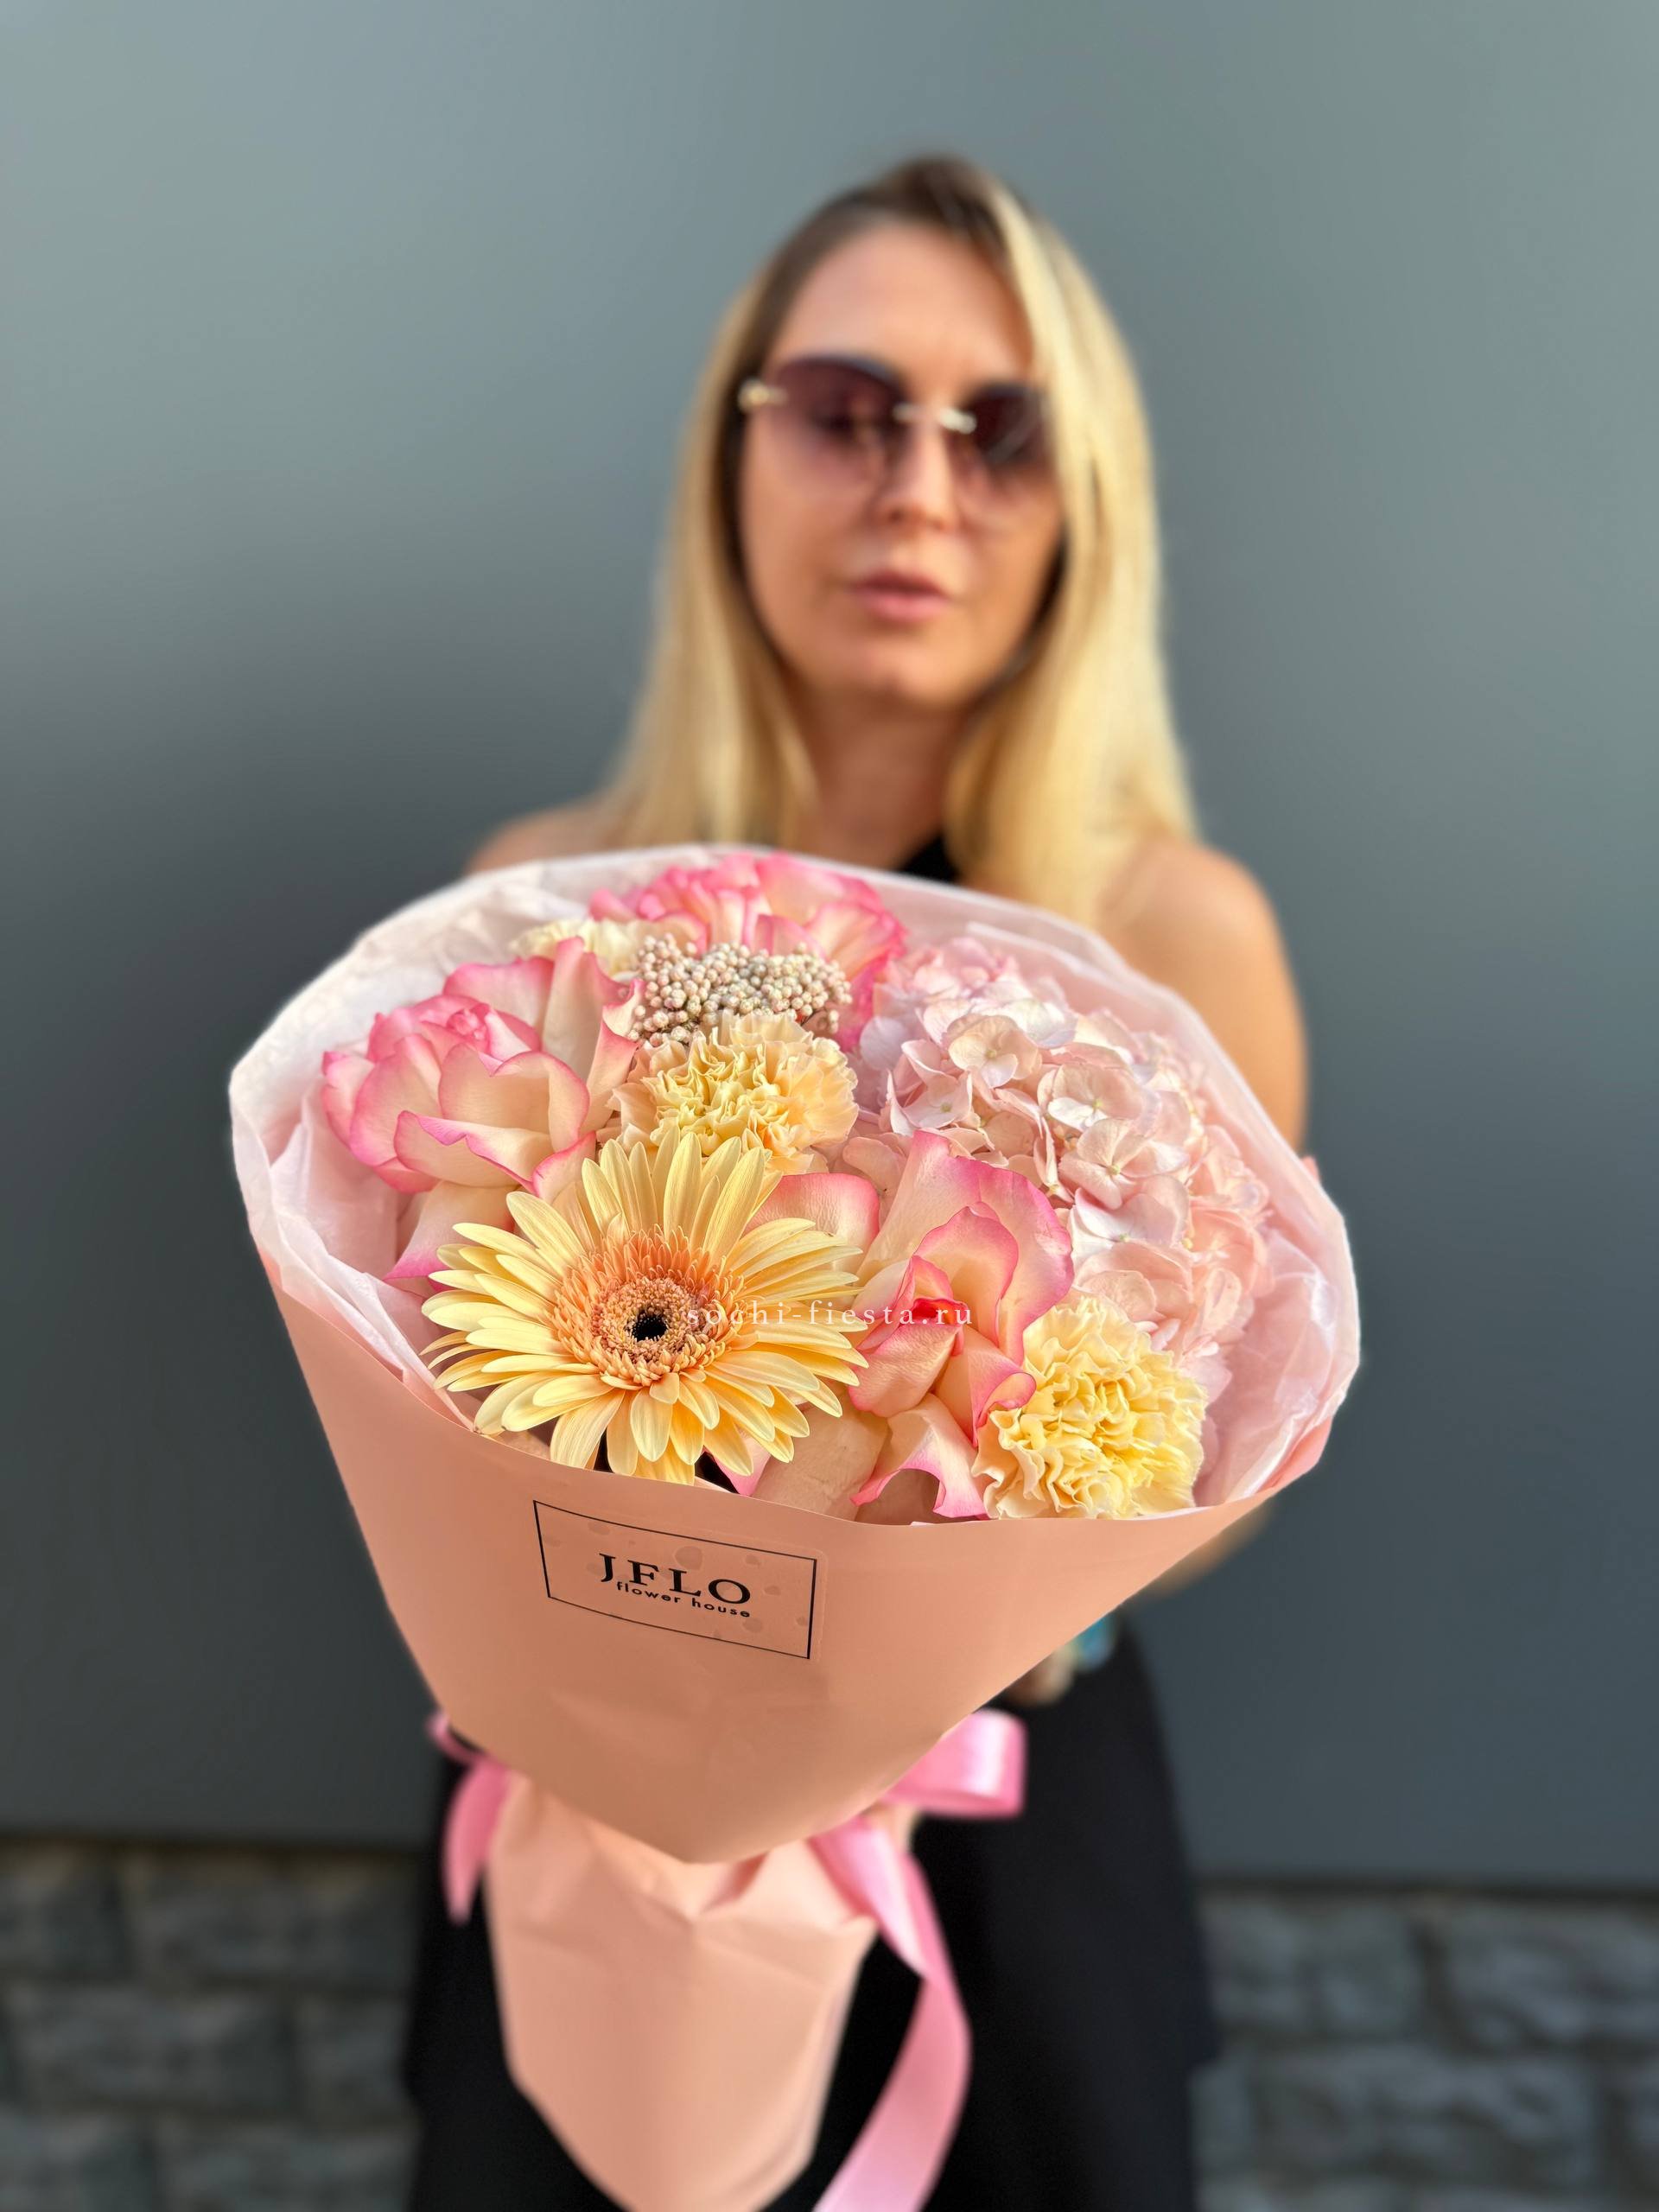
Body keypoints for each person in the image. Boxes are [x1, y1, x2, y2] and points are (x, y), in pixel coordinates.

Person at [402, 150, 1309, 2212]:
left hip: (998, 1861)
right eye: (843, 409)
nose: (919, 487)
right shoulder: (539, 908)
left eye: (1004, 431)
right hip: (594, 1837)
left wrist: (932, 1572)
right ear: (733, 453)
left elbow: (1229, 1451)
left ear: (1083, 509)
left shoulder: (1170, 933)